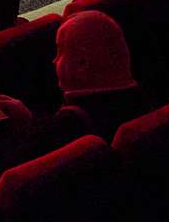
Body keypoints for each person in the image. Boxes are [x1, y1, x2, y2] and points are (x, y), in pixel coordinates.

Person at [54, 10, 147, 139]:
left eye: (60, 52)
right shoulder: (150, 107)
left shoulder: (65, 129)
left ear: (82, 63)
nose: (54, 61)